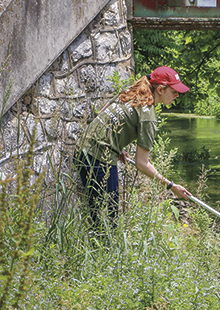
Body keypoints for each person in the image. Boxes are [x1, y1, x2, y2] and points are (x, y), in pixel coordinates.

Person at [75, 66, 192, 226]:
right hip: (99, 159)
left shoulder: (131, 92)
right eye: (174, 91)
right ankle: (102, 251)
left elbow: (103, 113)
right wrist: (171, 186)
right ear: (160, 89)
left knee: (98, 217)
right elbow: (141, 164)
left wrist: (116, 144)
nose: (177, 95)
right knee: (107, 223)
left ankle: (95, 249)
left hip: (82, 148)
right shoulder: (148, 117)